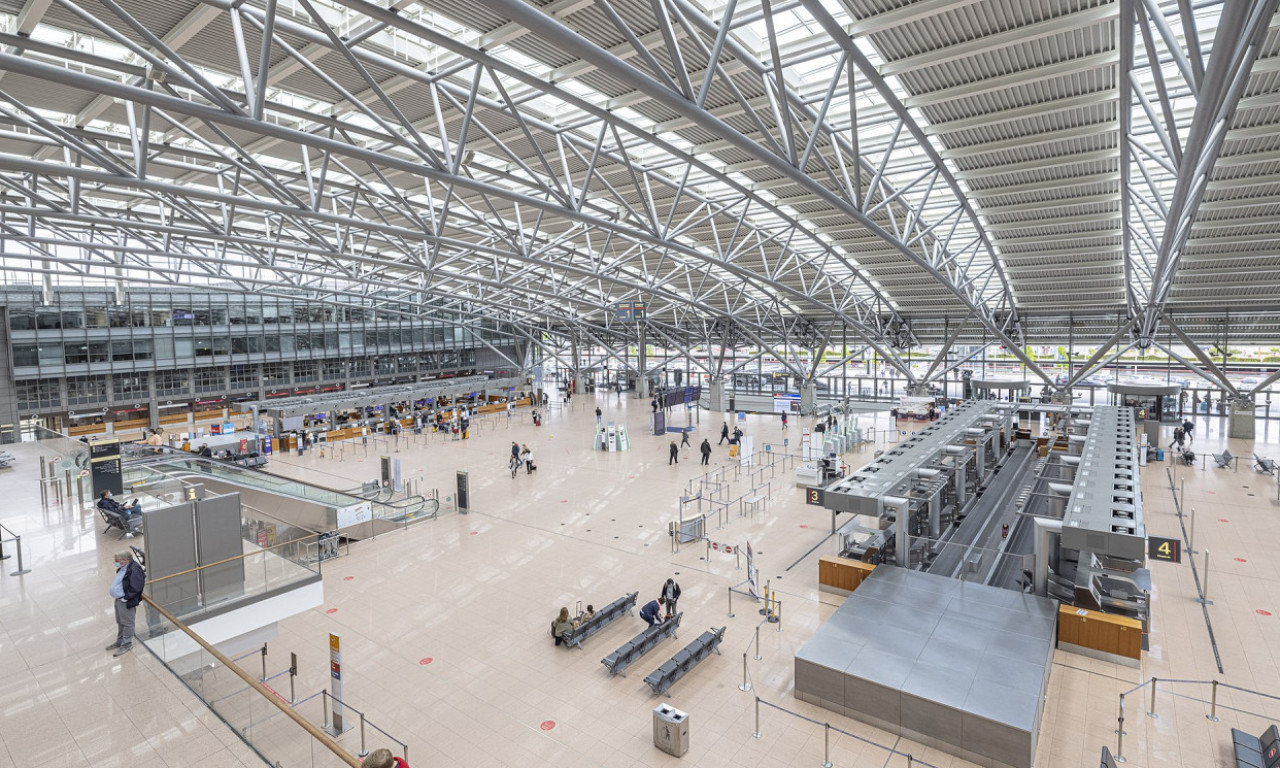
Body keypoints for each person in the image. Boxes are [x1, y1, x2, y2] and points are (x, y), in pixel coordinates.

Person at [106, 550, 145, 657]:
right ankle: (120, 641)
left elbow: (136, 587)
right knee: (120, 621)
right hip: (119, 599)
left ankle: (127, 644)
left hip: (125, 601)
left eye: (118, 561)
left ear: (126, 560)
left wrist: (126, 598)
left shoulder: (134, 569)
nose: (116, 563)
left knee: (127, 623)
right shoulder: (124, 567)